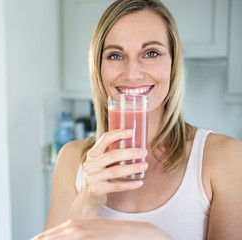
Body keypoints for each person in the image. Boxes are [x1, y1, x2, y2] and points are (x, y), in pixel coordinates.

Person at [33, 0, 242, 239]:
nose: (132, 74)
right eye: (115, 55)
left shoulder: (226, 158)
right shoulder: (71, 159)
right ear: (97, 69)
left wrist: (152, 236)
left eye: (151, 53)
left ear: (173, 64)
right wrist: (87, 200)